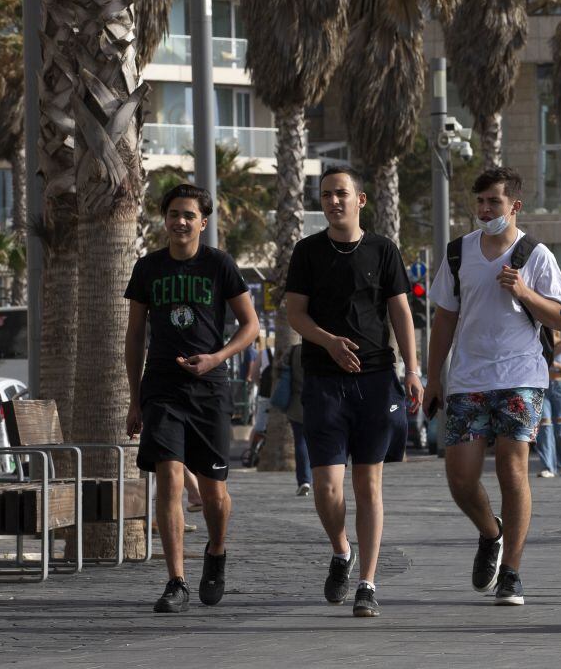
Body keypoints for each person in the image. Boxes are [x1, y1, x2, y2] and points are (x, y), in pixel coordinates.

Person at [424, 166, 561, 606]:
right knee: (461, 477)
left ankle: (512, 573)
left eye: (495, 202)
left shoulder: (535, 254)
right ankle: (492, 533)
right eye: (481, 201)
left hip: (521, 376)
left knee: (512, 468)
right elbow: (445, 317)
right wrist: (433, 377)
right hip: (468, 379)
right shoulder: (459, 253)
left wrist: (525, 292)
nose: (486, 209)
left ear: (515, 206)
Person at [285, 166, 423, 619]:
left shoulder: (383, 250)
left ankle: (367, 581)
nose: (333, 201)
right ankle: (341, 550)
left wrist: (413, 370)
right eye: (325, 195)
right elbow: (296, 315)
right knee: (327, 486)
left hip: (376, 380)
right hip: (323, 381)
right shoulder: (307, 252)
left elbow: (400, 312)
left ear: (360, 200)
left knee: (368, 483)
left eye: (341, 194)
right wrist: (328, 341)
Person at [124, 183, 259, 613]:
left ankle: (216, 552)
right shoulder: (148, 269)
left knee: (215, 493)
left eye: (189, 215)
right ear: (164, 219)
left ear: (203, 222)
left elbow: (250, 325)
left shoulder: (219, 264)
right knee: (169, 475)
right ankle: (176, 581)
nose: (180, 222)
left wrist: (216, 357)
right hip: (162, 388)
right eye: (173, 214)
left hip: (208, 390)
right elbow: (134, 335)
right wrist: (134, 398)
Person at [536, 329, 561, 478]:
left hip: (560, 387)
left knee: (560, 429)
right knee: (544, 426)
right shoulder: (540, 343)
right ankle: (548, 467)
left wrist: (557, 365)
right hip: (543, 387)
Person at [281, 343, 312, 495]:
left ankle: (304, 480)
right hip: (319, 401)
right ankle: (323, 478)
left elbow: (282, 368)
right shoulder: (323, 346)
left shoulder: (293, 350)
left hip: (297, 403)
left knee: (301, 442)